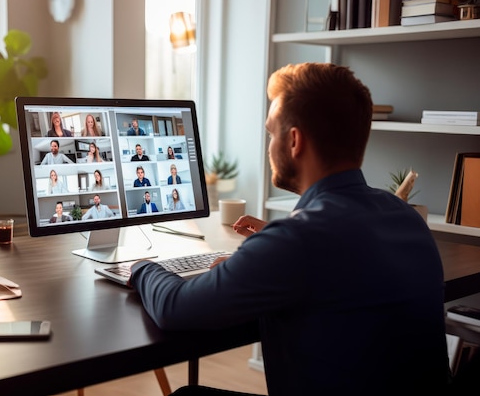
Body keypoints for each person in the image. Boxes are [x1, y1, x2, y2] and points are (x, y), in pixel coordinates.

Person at [129, 63, 448, 396]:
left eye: (271, 132)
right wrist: (260, 259)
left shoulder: (296, 241)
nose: (269, 146)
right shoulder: (405, 216)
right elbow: (342, 264)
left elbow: (175, 308)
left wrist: (142, 267)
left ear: (294, 140)